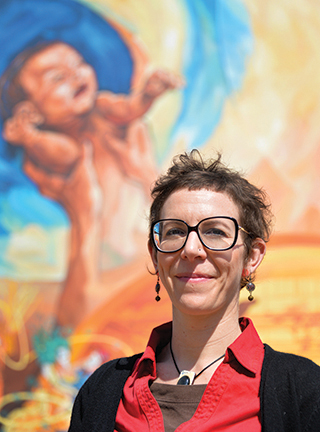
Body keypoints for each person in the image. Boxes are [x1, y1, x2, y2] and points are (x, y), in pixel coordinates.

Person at [67, 150, 320, 432]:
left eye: (215, 232)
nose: (191, 250)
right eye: (174, 231)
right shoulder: (103, 389)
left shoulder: (304, 391)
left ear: (252, 256)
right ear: (155, 255)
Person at [0, 40, 181, 327]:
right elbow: (61, 153)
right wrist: (31, 137)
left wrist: (148, 95)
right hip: (104, 239)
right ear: (32, 111)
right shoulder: (62, 148)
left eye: (78, 64)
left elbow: (129, 108)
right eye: (57, 78)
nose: (76, 75)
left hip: (136, 217)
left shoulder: (102, 106)